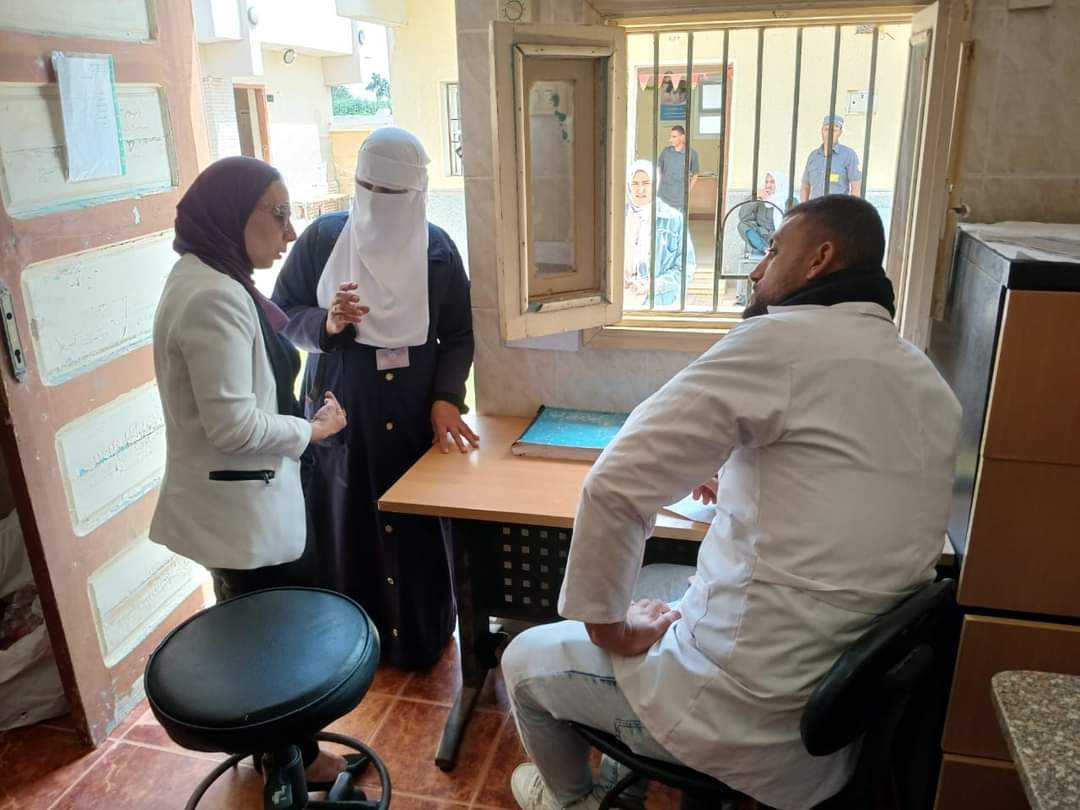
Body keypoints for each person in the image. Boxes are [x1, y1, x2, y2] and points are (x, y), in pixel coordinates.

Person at [501, 195, 961, 810]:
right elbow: (840, 490)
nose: (757, 270)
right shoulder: (927, 381)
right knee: (659, 579)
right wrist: (741, 475)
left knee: (522, 660)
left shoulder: (780, 341)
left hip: (740, 716)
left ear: (820, 259)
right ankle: (621, 780)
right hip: (830, 724)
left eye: (772, 250)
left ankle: (569, 800)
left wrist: (610, 628)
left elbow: (613, 485)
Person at [150, 156, 350, 786]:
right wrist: (311, 431)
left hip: (242, 504)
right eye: (279, 214)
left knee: (263, 635)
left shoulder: (212, 277)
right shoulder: (213, 296)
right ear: (233, 214)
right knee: (273, 643)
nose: (290, 232)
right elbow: (233, 427)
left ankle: (280, 750)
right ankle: (292, 762)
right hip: (241, 514)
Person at [271, 127, 477, 671]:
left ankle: (421, 636)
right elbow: (283, 312)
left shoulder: (436, 252)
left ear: (417, 193)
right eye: (368, 188)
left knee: (416, 528)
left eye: (392, 193)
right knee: (347, 525)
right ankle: (353, 645)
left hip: (413, 415)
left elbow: (459, 334)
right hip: (344, 412)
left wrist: (446, 398)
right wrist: (328, 322)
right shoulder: (324, 240)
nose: (378, 203)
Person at [624, 159, 696, 309]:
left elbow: (685, 267)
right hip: (622, 300)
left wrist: (652, 286)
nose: (640, 189)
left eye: (646, 183)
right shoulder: (616, 217)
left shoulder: (673, 219)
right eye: (635, 183)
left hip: (659, 301)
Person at [800, 114, 862, 201]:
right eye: (826, 129)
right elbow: (805, 186)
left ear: (840, 132)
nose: (829, 134)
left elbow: (856, 188)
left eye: (834, 130)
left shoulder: (849, 155)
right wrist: (804, 207)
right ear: (821, 131)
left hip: (837, 208)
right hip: (815, 208)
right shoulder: (813, 156)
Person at [737, 169, 794, 255]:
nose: (768, 185)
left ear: (780, 183)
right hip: (763, 239)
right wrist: (756, 197)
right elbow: (743, 217)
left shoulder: (790, 200)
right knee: (742, 225)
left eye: (772, 182)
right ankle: (765, 249)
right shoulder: (761, 199)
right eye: (766, 182)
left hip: (781, 239)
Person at [655, 126, 700, 212]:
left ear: (682, 137)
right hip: (663, 196)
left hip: (679, 199)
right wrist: (659, 183)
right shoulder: (665, 152)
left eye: (674, 137)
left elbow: (695, 173)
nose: (670, 140)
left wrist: (688, 190)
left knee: (678, 219)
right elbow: (659, 168)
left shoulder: (691, 154)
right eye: (671, 137)